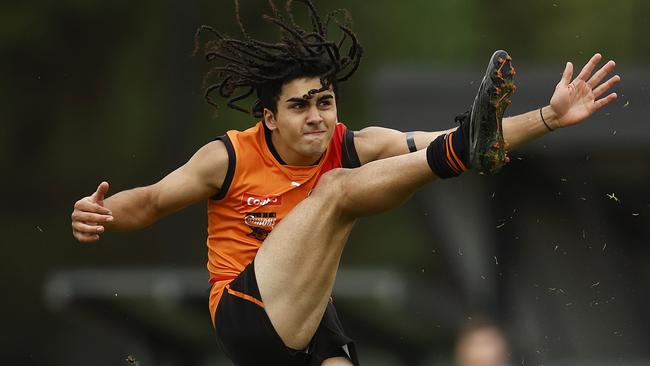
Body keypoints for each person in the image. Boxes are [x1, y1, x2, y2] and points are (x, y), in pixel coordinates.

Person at [70, 1, 620, 365]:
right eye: (300, 105)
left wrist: (548, 117)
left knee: (386, 168)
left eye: (325, 102)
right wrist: (102, 212)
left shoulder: (356, 143)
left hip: (312, 323)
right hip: (246, 315)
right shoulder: (229, 157)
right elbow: (149, 202)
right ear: (269, 117)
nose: (317, 116)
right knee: (336, 189)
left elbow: (468, 139)